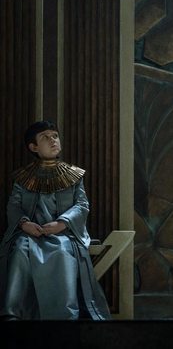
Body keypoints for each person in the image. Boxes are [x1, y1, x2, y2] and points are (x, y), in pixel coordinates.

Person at [0, 121, 110, 320]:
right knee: (20, 249)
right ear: (33, 147)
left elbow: (81, 205)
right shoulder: (23, 178)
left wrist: (62, 223)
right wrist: (25, 224)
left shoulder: (74, 175)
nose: (53, 140)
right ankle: (14, 314)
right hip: (31, 234)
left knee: (61, 251)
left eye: (55, 136)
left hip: (64, 235)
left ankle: (62, 317)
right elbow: (13, 206)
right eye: (45, 137)